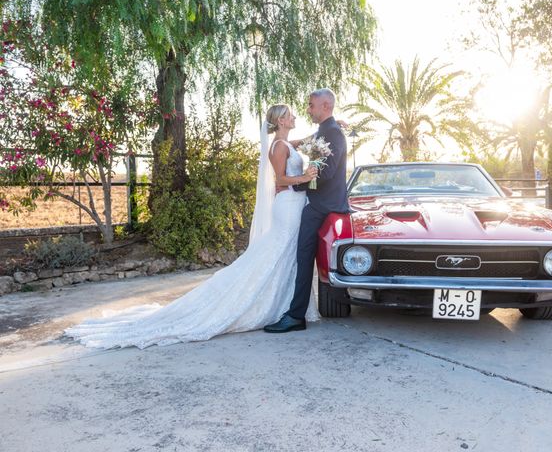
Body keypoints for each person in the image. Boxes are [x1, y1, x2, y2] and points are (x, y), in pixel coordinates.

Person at [65, 104, 319, 349]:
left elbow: (297, 145)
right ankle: (260, 305)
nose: (295, 116)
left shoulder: (285, 143)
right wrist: (306, 177)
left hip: (295, 204)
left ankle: (285, 305)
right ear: (281, 121)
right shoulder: (277, 146)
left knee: (286, 256)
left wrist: (321, 135)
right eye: (290, 114)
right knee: (276, 254)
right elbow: (281, 179)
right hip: (287, 205)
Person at [264, 88, 350, 333]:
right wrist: (288, 180)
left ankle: (295, 315)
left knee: (304, 258)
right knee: (302, 258)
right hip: (316, 202)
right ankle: (296, 312)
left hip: (321, 205)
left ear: (325, 106)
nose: (308, 109)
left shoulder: (332, 133)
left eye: (311, 105)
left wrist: (296, 183)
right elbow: (298, 145)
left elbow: (326, 173)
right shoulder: (326, 131)